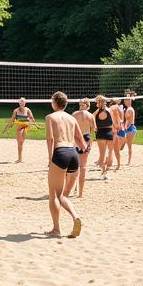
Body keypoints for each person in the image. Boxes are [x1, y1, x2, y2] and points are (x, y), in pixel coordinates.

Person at [45, 91, 85, 238]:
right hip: (73, 154)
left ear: (55, 102)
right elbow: (81, 141)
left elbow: (50, 139)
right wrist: (85, 150)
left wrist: (50, 159)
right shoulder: (71, 118)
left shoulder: (50, 117)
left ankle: (57, 228)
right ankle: (74, 217)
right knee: (64, 195)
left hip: (60, 153)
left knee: (54, 194)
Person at [66, 97, 96, 198]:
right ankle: (80, 194)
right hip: (86, 141)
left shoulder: (74, 114)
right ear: (88, 106)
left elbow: (70, 127)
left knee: (73, 167)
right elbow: (94, 129)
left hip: (76, 140)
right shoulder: (90, 115)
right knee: (83, 167)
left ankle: (69, 189)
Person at [6, 97, 35, 163]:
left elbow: (32, 118)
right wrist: (9, 127)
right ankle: (20, 158)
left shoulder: (27, 109)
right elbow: (12, 119)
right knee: (19, 143)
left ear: (25, 103)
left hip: (25, 126)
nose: (22, 103)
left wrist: (36, 125)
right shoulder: (16, 110)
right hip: (19, 127)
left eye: (23, 102)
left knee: (22, 142)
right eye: (21, 102)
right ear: (19, 103)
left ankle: (20, 158)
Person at [93, 95, 114, 177]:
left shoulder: (95, 113)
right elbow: (114, 123)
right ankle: (107, 172)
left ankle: (104, 172)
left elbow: (93, 124)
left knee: (102, 154)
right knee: (110, 152)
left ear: (98, 102)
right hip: (109, 132)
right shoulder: (110, 110)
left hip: (100, 133)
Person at [110, 98, 125, 171]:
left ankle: (116, 164)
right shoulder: (119, 108)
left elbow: (117, 120)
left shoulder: (113, 108)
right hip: (120, 130)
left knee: (114, 149)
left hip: (116, 130)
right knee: (116, 149)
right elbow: (121, 119)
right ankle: (117, 164)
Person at [122, 93, 137, 165]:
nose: (125, 101)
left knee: (129, 146)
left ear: (129, 101)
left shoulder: (129, 109)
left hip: (130, 128)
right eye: (124, 100)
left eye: (126, 100)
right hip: (129, 128)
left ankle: (129, 161)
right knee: (125, 145)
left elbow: (128, 121)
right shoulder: (128, 109)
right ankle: (129, 160)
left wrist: (124, 129)